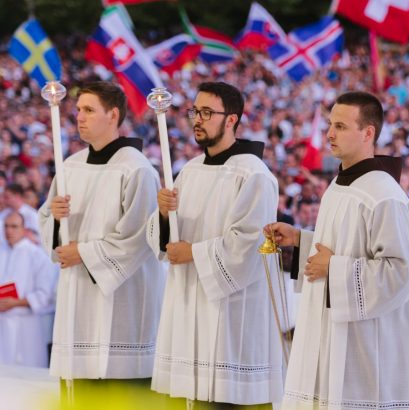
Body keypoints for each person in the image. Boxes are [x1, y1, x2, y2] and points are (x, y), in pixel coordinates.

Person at [264, 91, 409, 409]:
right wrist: (300, 239)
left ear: (368, 133)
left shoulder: (384, 194)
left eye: (340, 126)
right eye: (329, 124)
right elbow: (342, 246)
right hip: (329, 332)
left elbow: (401, 272)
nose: (329, 133)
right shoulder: (341, 184)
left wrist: (335, 267)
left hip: (364, 347)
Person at [146, 82, 282, 408]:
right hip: (188, 310)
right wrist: (164, 215)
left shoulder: (253, 175)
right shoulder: (189, 171)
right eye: (195, 111)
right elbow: (165, 240)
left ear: (231, 120)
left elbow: (250, 245)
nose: (197, 119)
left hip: (232, 319)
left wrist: (192, 252)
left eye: (207, 112)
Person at [37, 81, 165, 395]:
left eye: (89, 110)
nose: (79, 116)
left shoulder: (136, 169)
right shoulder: (70, 165)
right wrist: (54, 216)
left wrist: (82, 252)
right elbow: (45, 220)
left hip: (122, 302)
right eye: (78, 110)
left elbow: (137, 238)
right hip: (78, 298)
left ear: (113, 115)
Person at [0, 211, 58, 367]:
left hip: (27, 325)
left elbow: (45, 294)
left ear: (24, 229)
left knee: (26, 374)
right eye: (6, 226)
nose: (9, 231)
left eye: (14, 226)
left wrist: (16, 302)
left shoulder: (37, 255)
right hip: (2, 324)